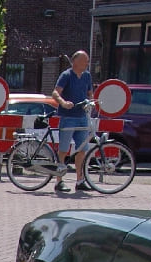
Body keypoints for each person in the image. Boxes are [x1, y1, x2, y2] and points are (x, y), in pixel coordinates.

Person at [52, 50, 93, 193]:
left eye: (87, 61)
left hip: (82, 117)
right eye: (84, 61)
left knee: (82, 149)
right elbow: (55, 92)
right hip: (68, 117)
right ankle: (59, 181)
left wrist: (90, 102)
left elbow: (89, 93)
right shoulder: (66, 75)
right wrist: (63, 103)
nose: (87, 63)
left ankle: (80, 180)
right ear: (75, 61)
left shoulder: (87, 76)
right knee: (63, 149)